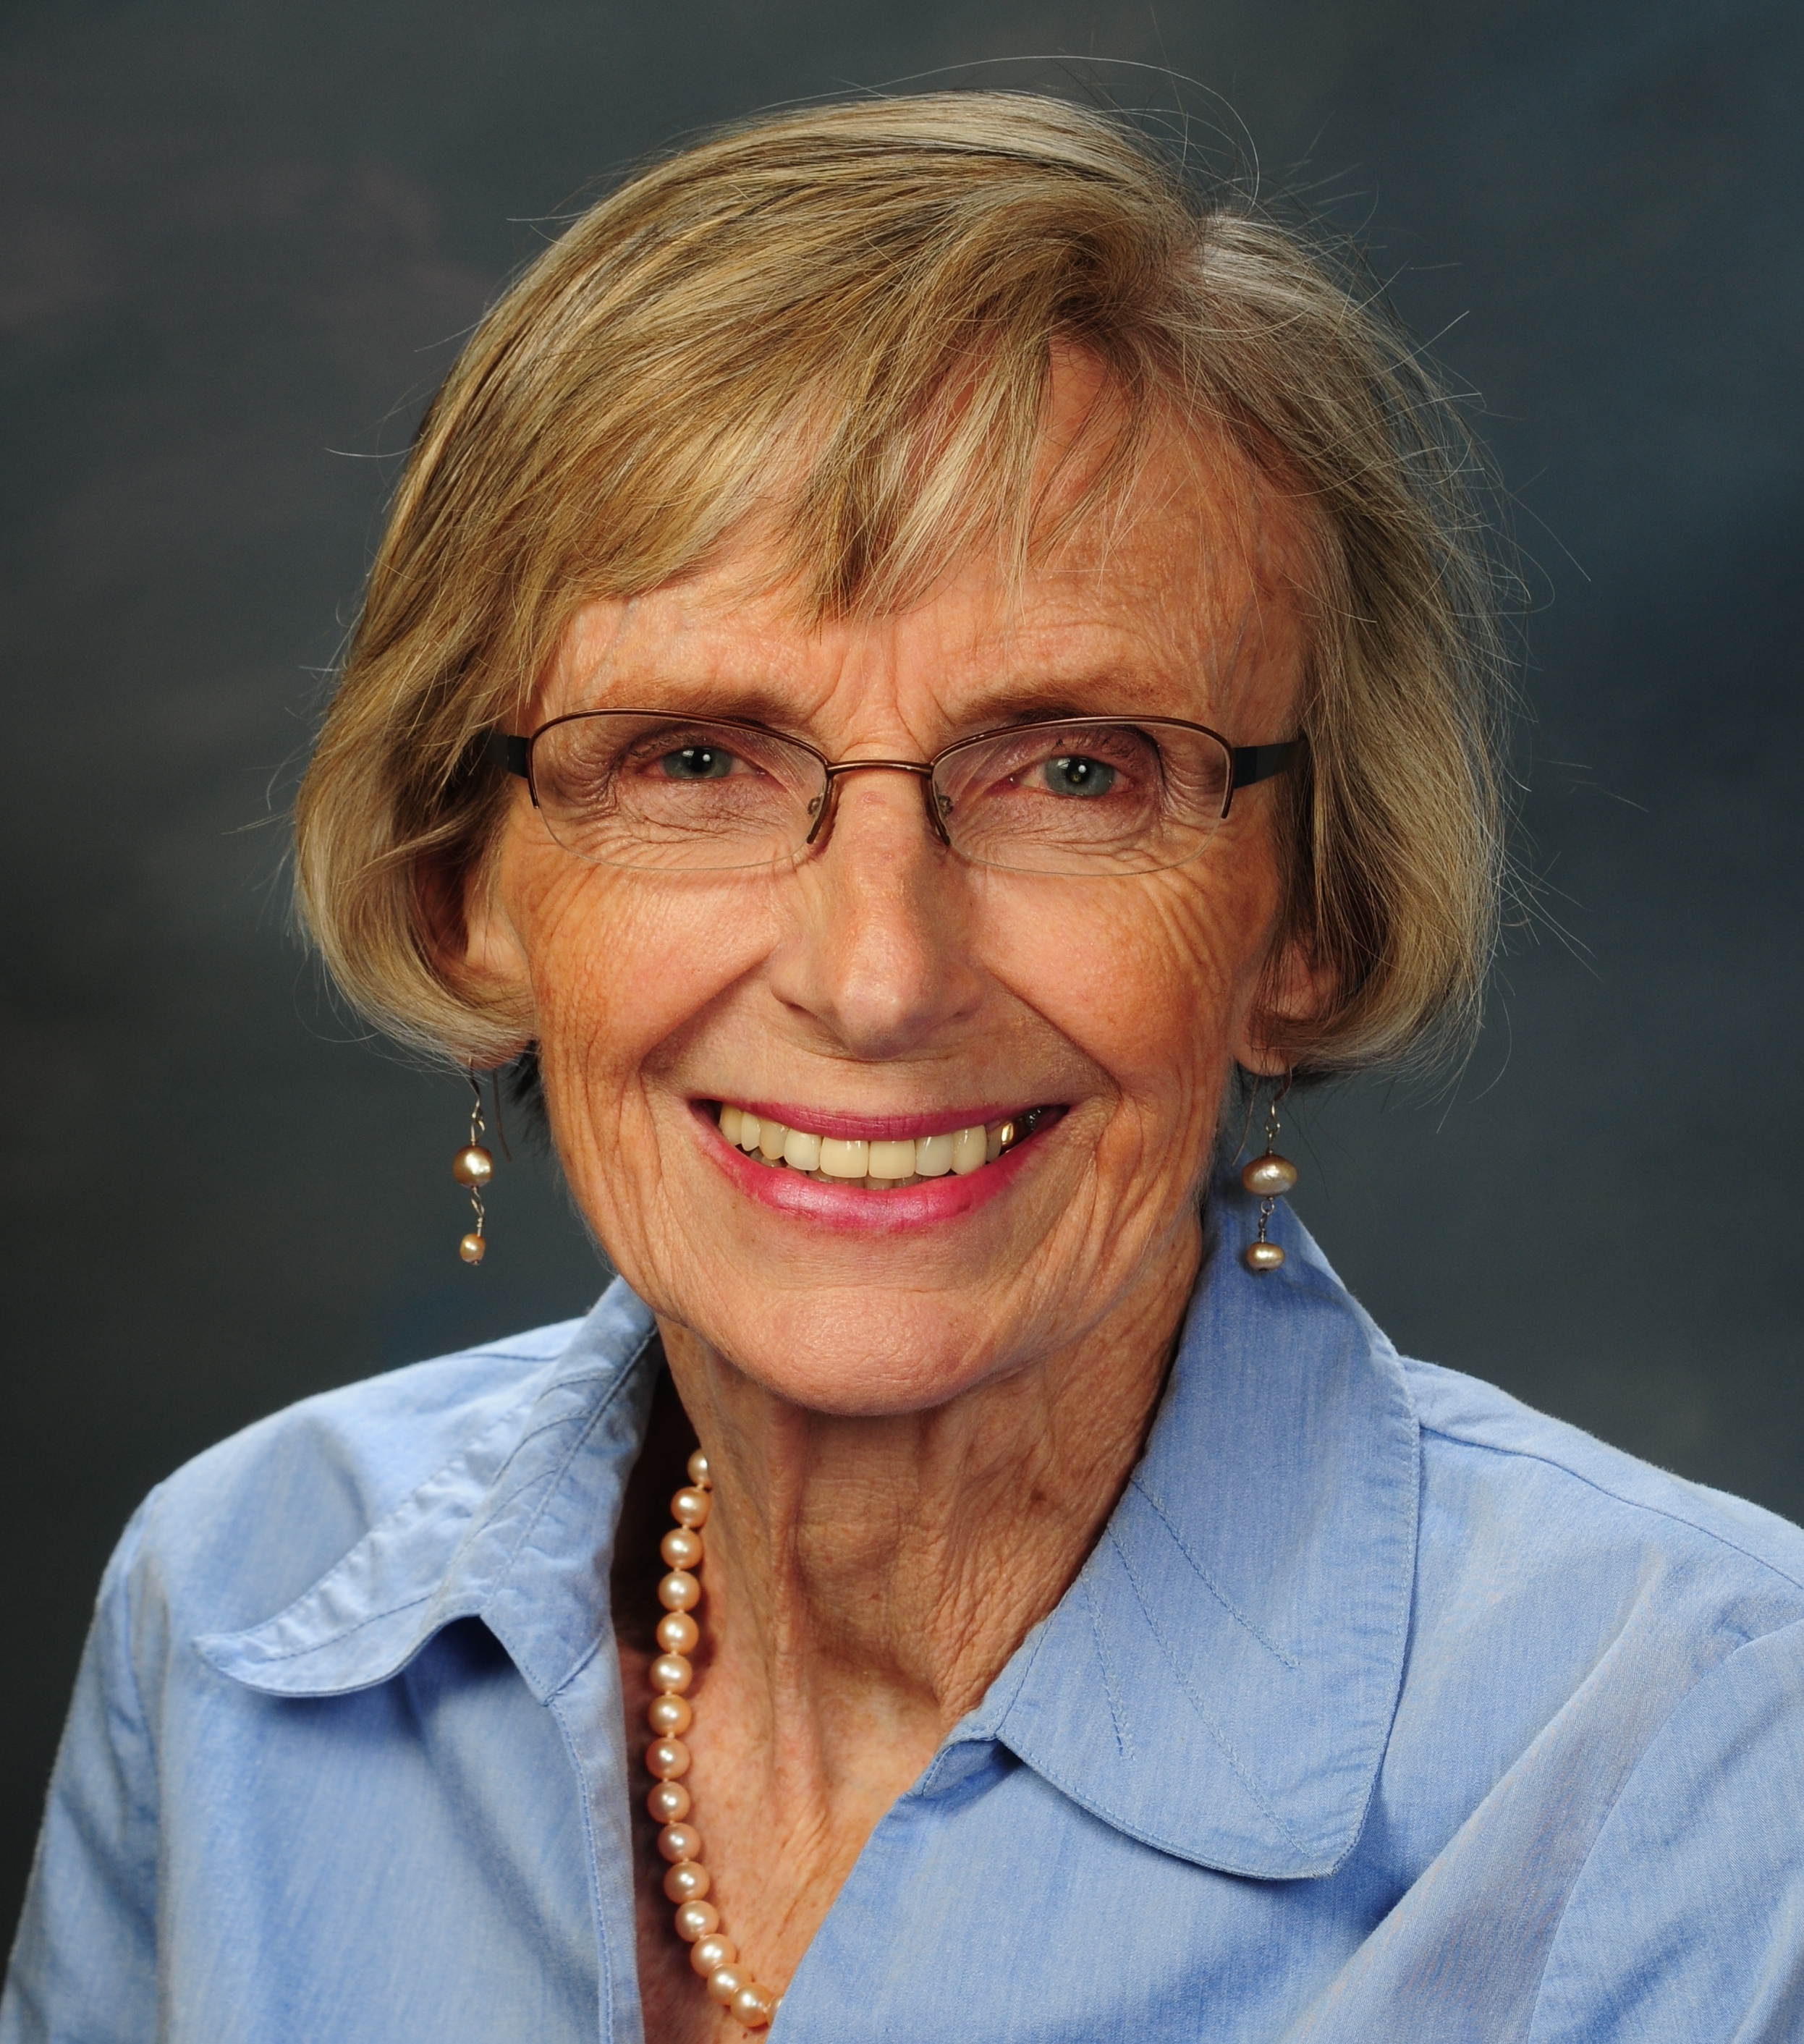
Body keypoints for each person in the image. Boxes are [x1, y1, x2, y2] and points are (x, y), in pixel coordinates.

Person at [7, 90, 1803, 2044]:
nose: (878, 976)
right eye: (695, 759)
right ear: (464, 893)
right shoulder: (239, 1614)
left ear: (1310, 916)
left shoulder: (1717, 1766)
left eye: (1077, 771)